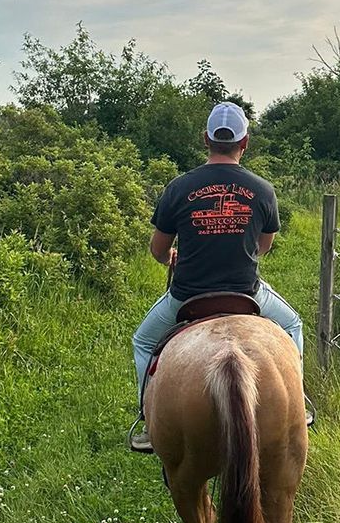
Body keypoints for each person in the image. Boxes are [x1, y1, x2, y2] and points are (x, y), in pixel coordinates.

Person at [130, 101, 307, 452]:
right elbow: (263, 246)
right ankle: (297, 405)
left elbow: (157, 248)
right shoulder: (262, 189)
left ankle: (150, 423)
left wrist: (171, 259)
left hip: (187, 296)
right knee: (292, 326)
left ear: (205, 140)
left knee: (144, 342)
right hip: (247, 293)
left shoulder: (180, 187)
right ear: (245, 143)